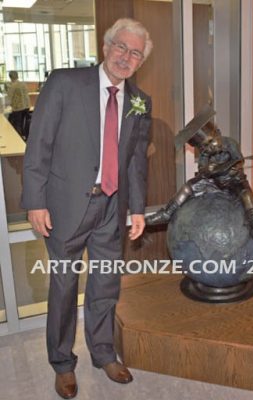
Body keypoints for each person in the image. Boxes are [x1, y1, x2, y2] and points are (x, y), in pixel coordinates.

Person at [21, 18, 153, 399]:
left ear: (141, 61)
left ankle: (103, 352)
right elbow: (39, 145)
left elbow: (134, 162)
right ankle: (62, 362)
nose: (126, 57)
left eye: (135, 53)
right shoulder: (65, 84)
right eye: (121, 47)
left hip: (113, 207)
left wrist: (138, 209)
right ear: (107, 46)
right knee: (63, 286)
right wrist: (35, 201)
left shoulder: (140, 101)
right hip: (65, 206)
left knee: (106, 284)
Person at [146, 123, 253, 247]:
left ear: (218, 133)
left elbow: (238, 162)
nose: (210, 148)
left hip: (234, 180)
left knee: (246, 195)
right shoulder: (206, 153)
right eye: (205, 146)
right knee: (188, 186)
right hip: (212, 181)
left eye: (211, 142)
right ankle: (167, 212)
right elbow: (202, 171)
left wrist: (230, 171)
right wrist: (207, 170)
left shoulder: (230, 143)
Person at [7, 70, 30, 138]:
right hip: (26, 106)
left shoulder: (13, 86)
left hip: (18, 108)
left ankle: (19, 138)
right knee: (24, 122)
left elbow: (9, 98)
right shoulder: (23, 84)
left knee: (17, 124)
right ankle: (24, 136)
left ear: (10, 77)